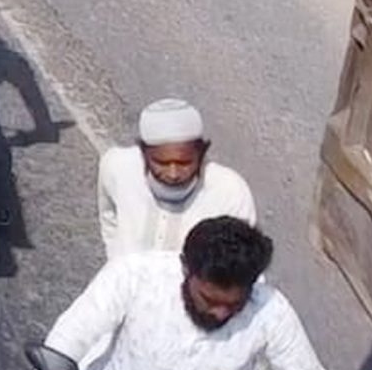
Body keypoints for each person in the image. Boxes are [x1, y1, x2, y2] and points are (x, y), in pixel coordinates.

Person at [29, 218, 339, 370]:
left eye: (234, 305)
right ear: (185, 269)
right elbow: (63, 346)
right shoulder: (134, 277)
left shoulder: (269, 309)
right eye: (209, 299)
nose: (219, 314)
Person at [98, 99, 259, 261]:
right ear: (143, 152)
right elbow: (109, 218)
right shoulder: (117, 167)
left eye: (184, 163)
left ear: (202, 152)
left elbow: (245, 259)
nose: (173, 174)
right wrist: (116, 262)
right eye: (161, 163)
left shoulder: (230, 190)